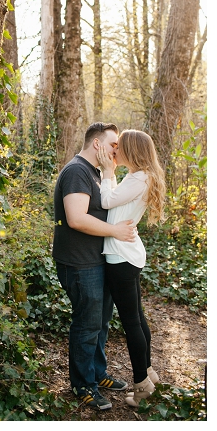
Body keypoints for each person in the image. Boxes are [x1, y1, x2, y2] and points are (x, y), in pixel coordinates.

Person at [53, 122, 137, 411]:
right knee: (87, 325)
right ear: (97, 144)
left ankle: (97, 374)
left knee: (100, 323)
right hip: (79, 263)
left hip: (98, 261)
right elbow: (76, 218)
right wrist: (115, 232)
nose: (118, 150)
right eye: (114, 144)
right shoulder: (77, 171)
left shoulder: (98, 173)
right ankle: (82, 384)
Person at [97, 129, 165, 407]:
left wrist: (106, 171)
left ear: (132, 150)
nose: (115, 150)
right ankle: (148, 373)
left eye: (119, 146)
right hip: (126, 254)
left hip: (120, 257)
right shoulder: (139, 176)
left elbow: (106, 201)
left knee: (132, 323)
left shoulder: (138, 178)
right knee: (137, 317)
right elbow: (117, 207)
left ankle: (141, 387)